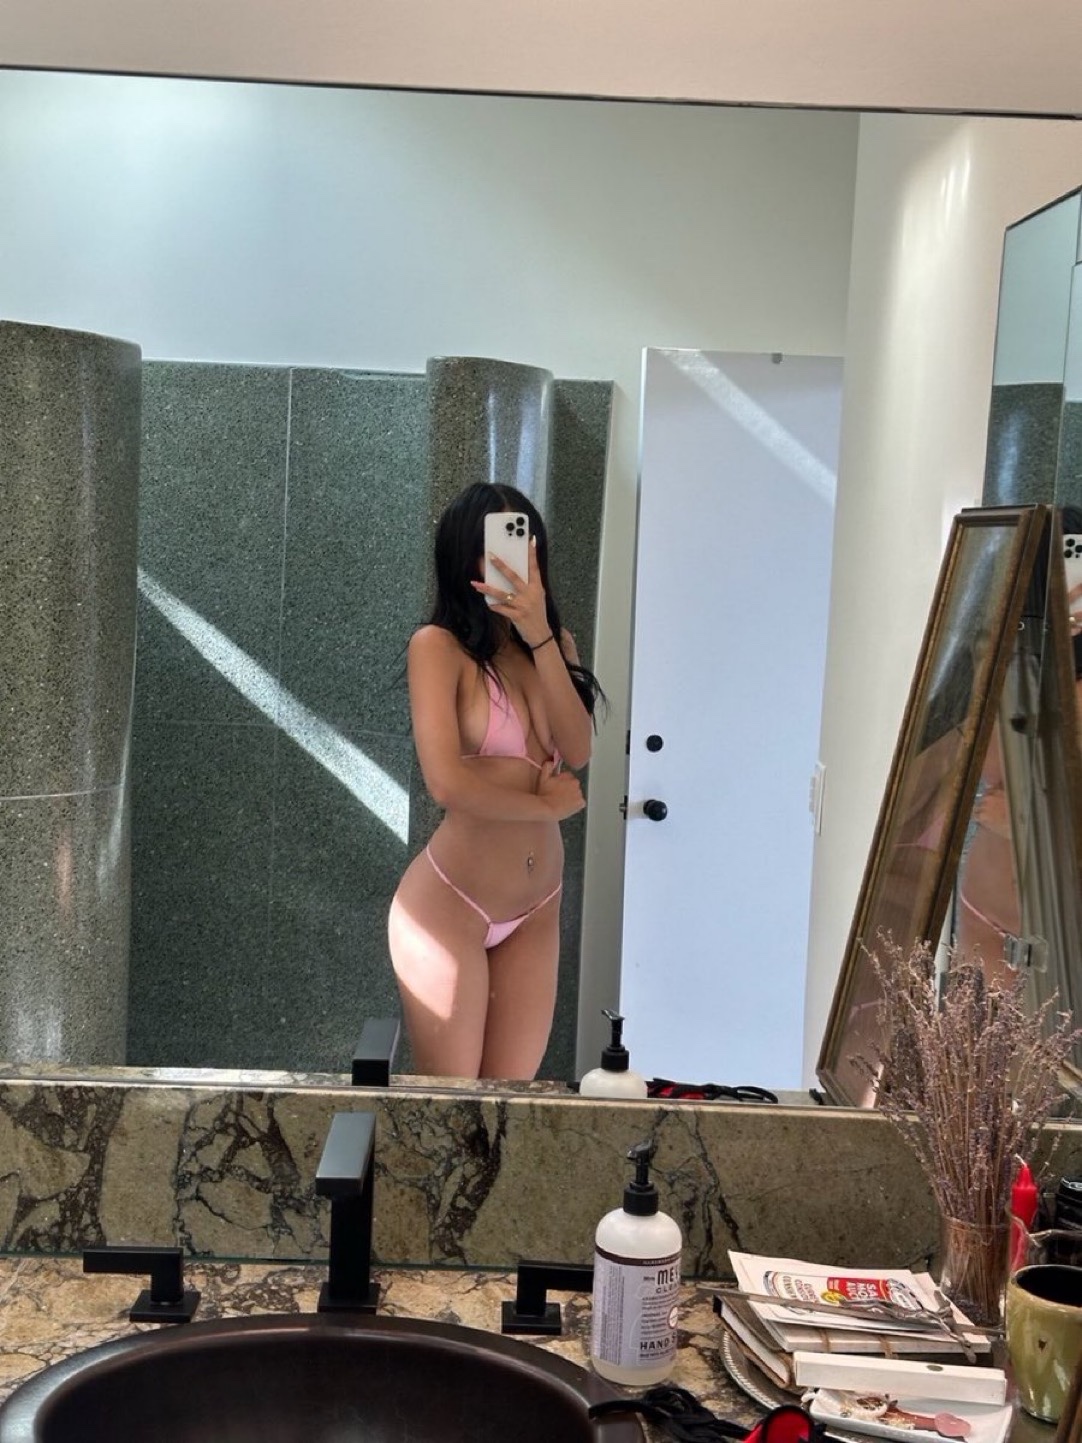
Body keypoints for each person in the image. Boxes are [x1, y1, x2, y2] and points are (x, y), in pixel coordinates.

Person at [388, 482, 604, 1080]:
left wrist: (540, 634)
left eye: (525, 544)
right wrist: (545, 807)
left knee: (509, 1102)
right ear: (466, 557)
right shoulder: (438, 647)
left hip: (537, 907)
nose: (515, 562)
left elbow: (578, 748)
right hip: (450, 902)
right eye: (498, 547)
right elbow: (447, 784)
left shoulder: (554, 644)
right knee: (452, 1106)